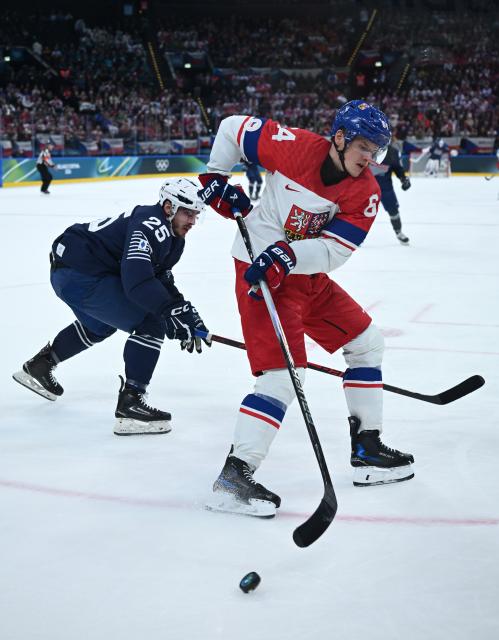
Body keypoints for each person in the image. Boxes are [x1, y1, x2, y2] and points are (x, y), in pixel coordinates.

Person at [197, 100, 414, 518]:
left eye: (377, 150)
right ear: (339, 138)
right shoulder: (292, 144)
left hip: (301, 272)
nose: (370, 158)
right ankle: (233, 477)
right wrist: (214, 177)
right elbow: (230, 127)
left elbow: (335, 250)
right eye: (365, 147)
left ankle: (367, 450)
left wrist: (290, 257)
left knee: (367, 345)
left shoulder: (366, 192)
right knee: (280, 378)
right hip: (259, 274)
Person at [13, 178, 211, 435]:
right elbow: (137, 281)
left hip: (72, 269)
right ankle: (131, 404)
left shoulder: (173, 237)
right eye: (187, 213)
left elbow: (160, 277)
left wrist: (183, 311)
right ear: (168, 206)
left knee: (101, 325)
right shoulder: (150, 225)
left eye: (196, 214)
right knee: (150, 322)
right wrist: (168, 311)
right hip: (79, 272)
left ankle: (41, 365)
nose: (192, 221)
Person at [369, 143, 411, 244]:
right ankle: (355, 235)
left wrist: (403, 179)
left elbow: (398, 168)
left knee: (393, 210)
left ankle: (399, 232)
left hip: (385, 187)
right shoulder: (365, 147)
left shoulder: (393, 152)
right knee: (358, 211)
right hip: (365, 186)